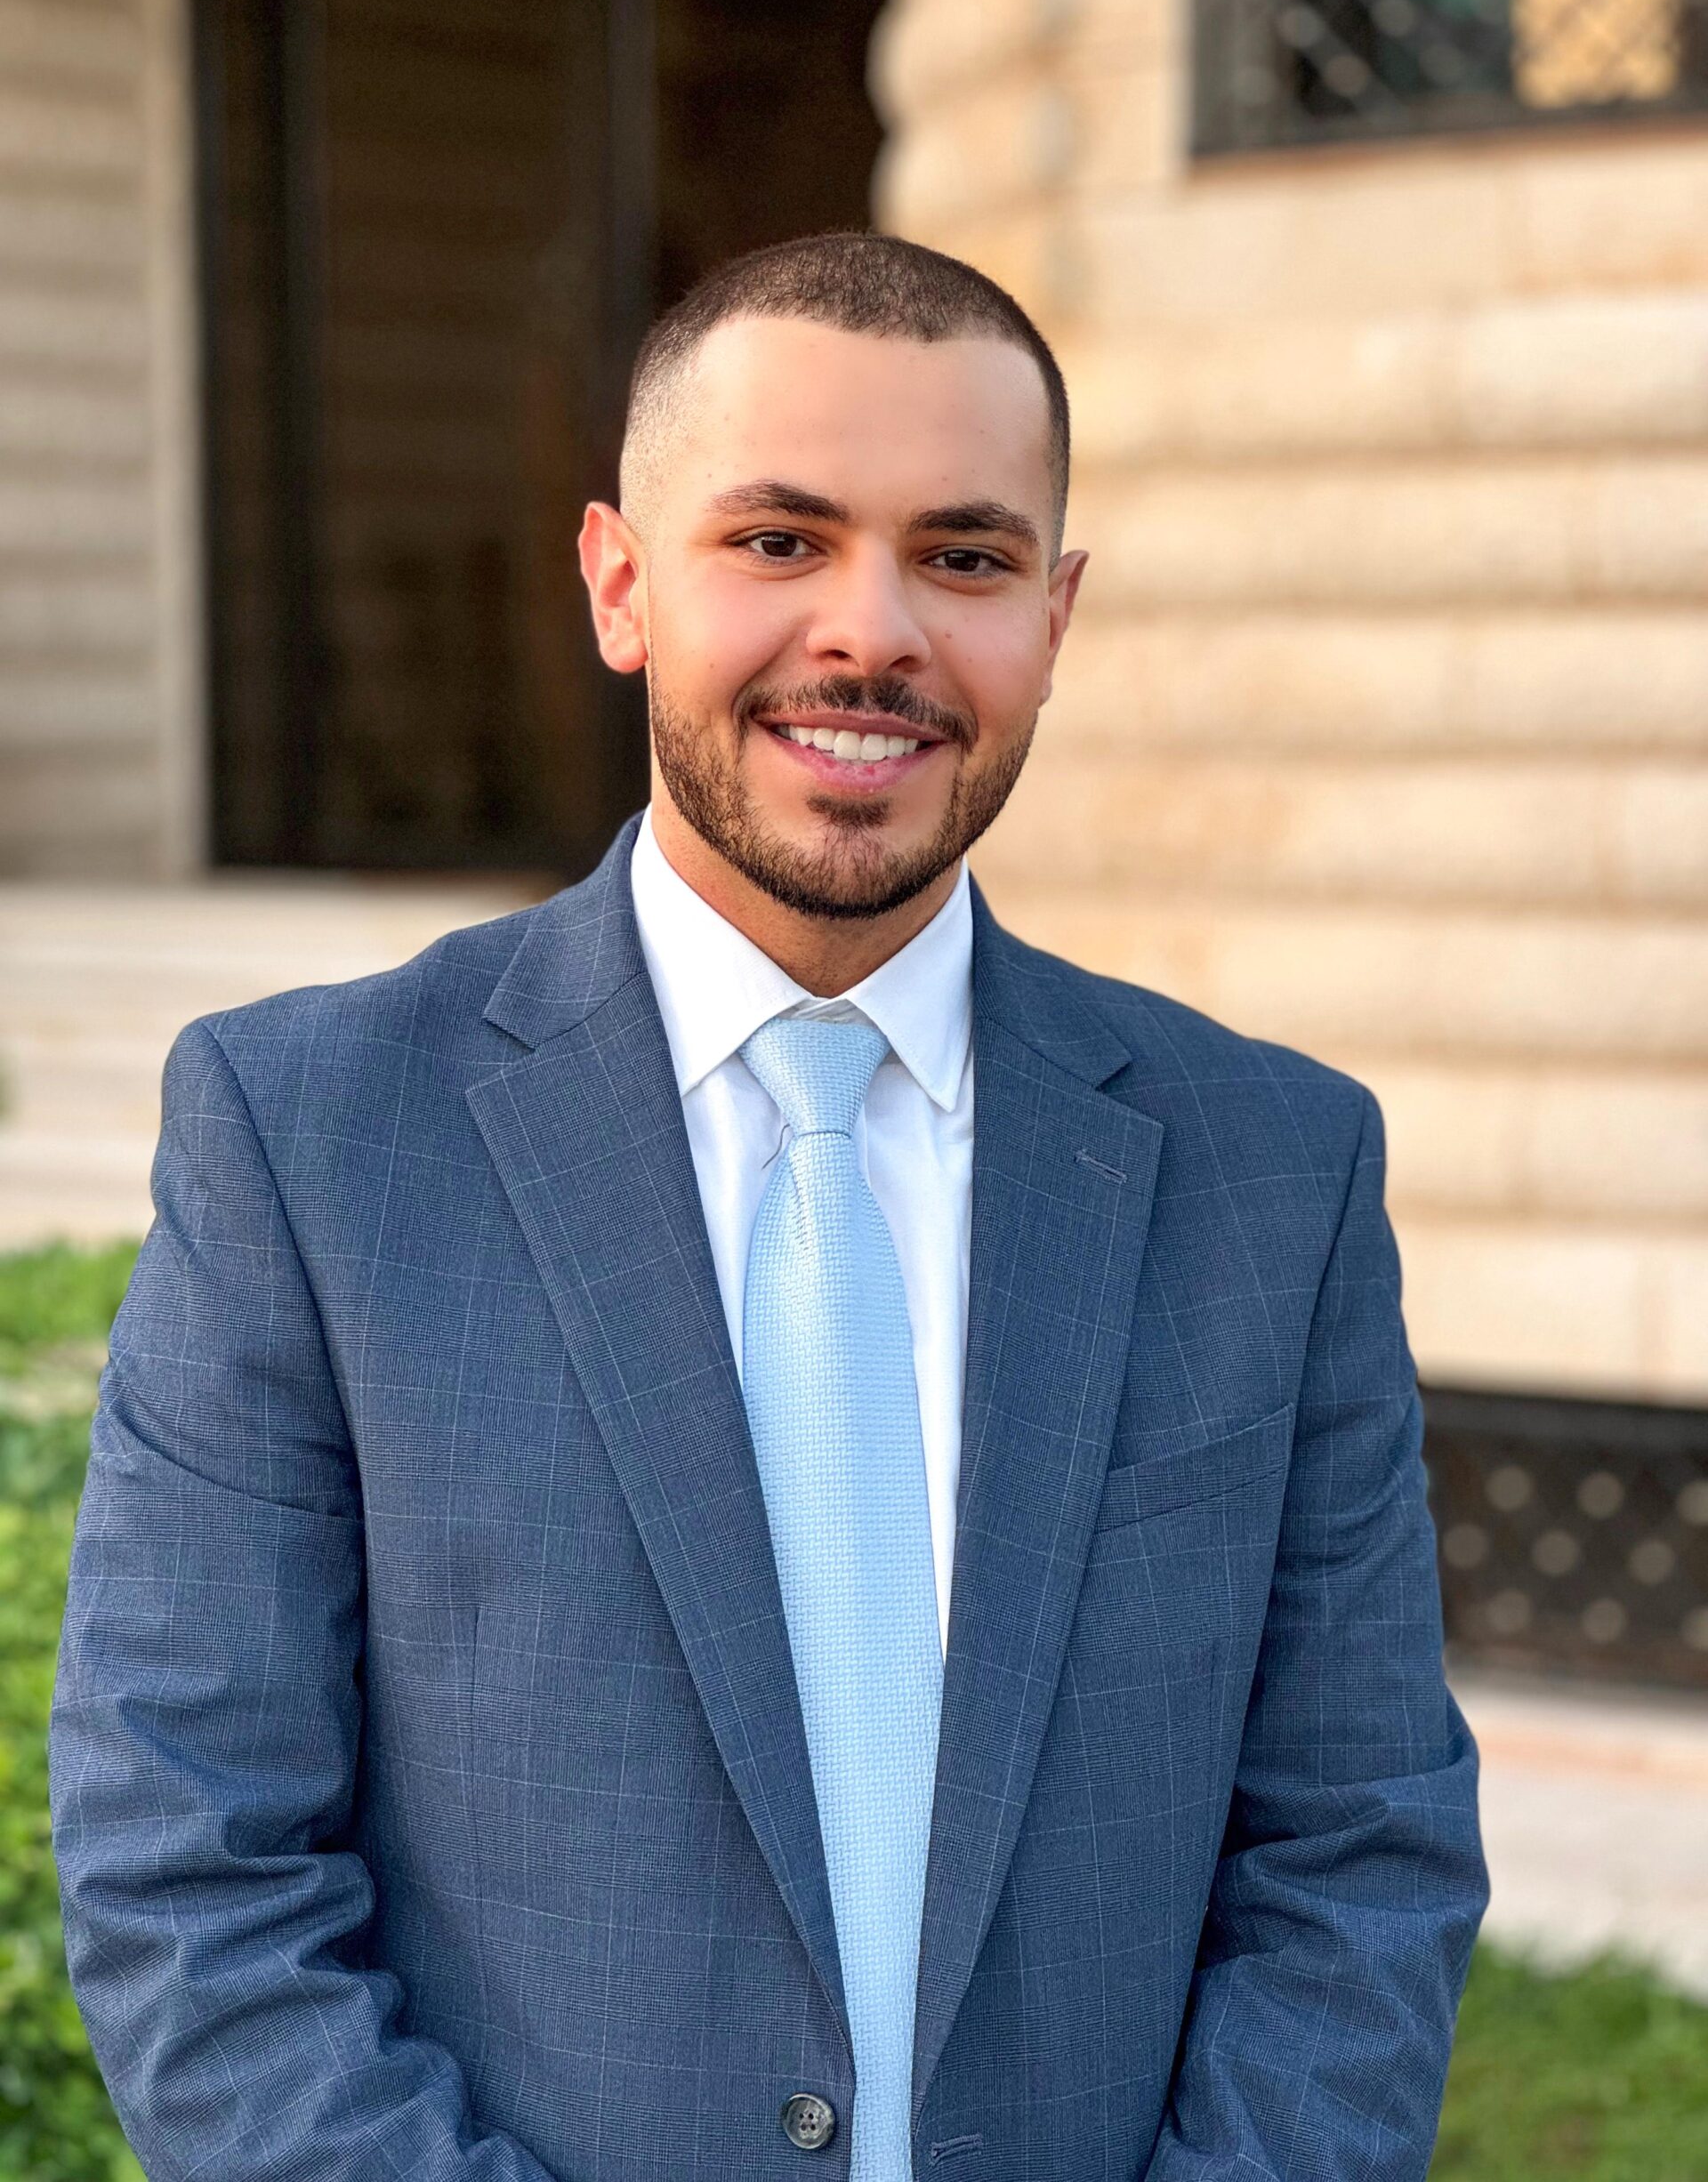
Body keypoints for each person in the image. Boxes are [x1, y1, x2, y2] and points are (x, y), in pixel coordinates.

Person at [50, 231, 1488, 2182]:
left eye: (963, 557)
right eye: (779, 540)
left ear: (1054, 615)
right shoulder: (309, 1140)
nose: (871, 633)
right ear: (620, 583)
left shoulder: (1274, 1171)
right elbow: (195, 1872)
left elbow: (1359, 1856)